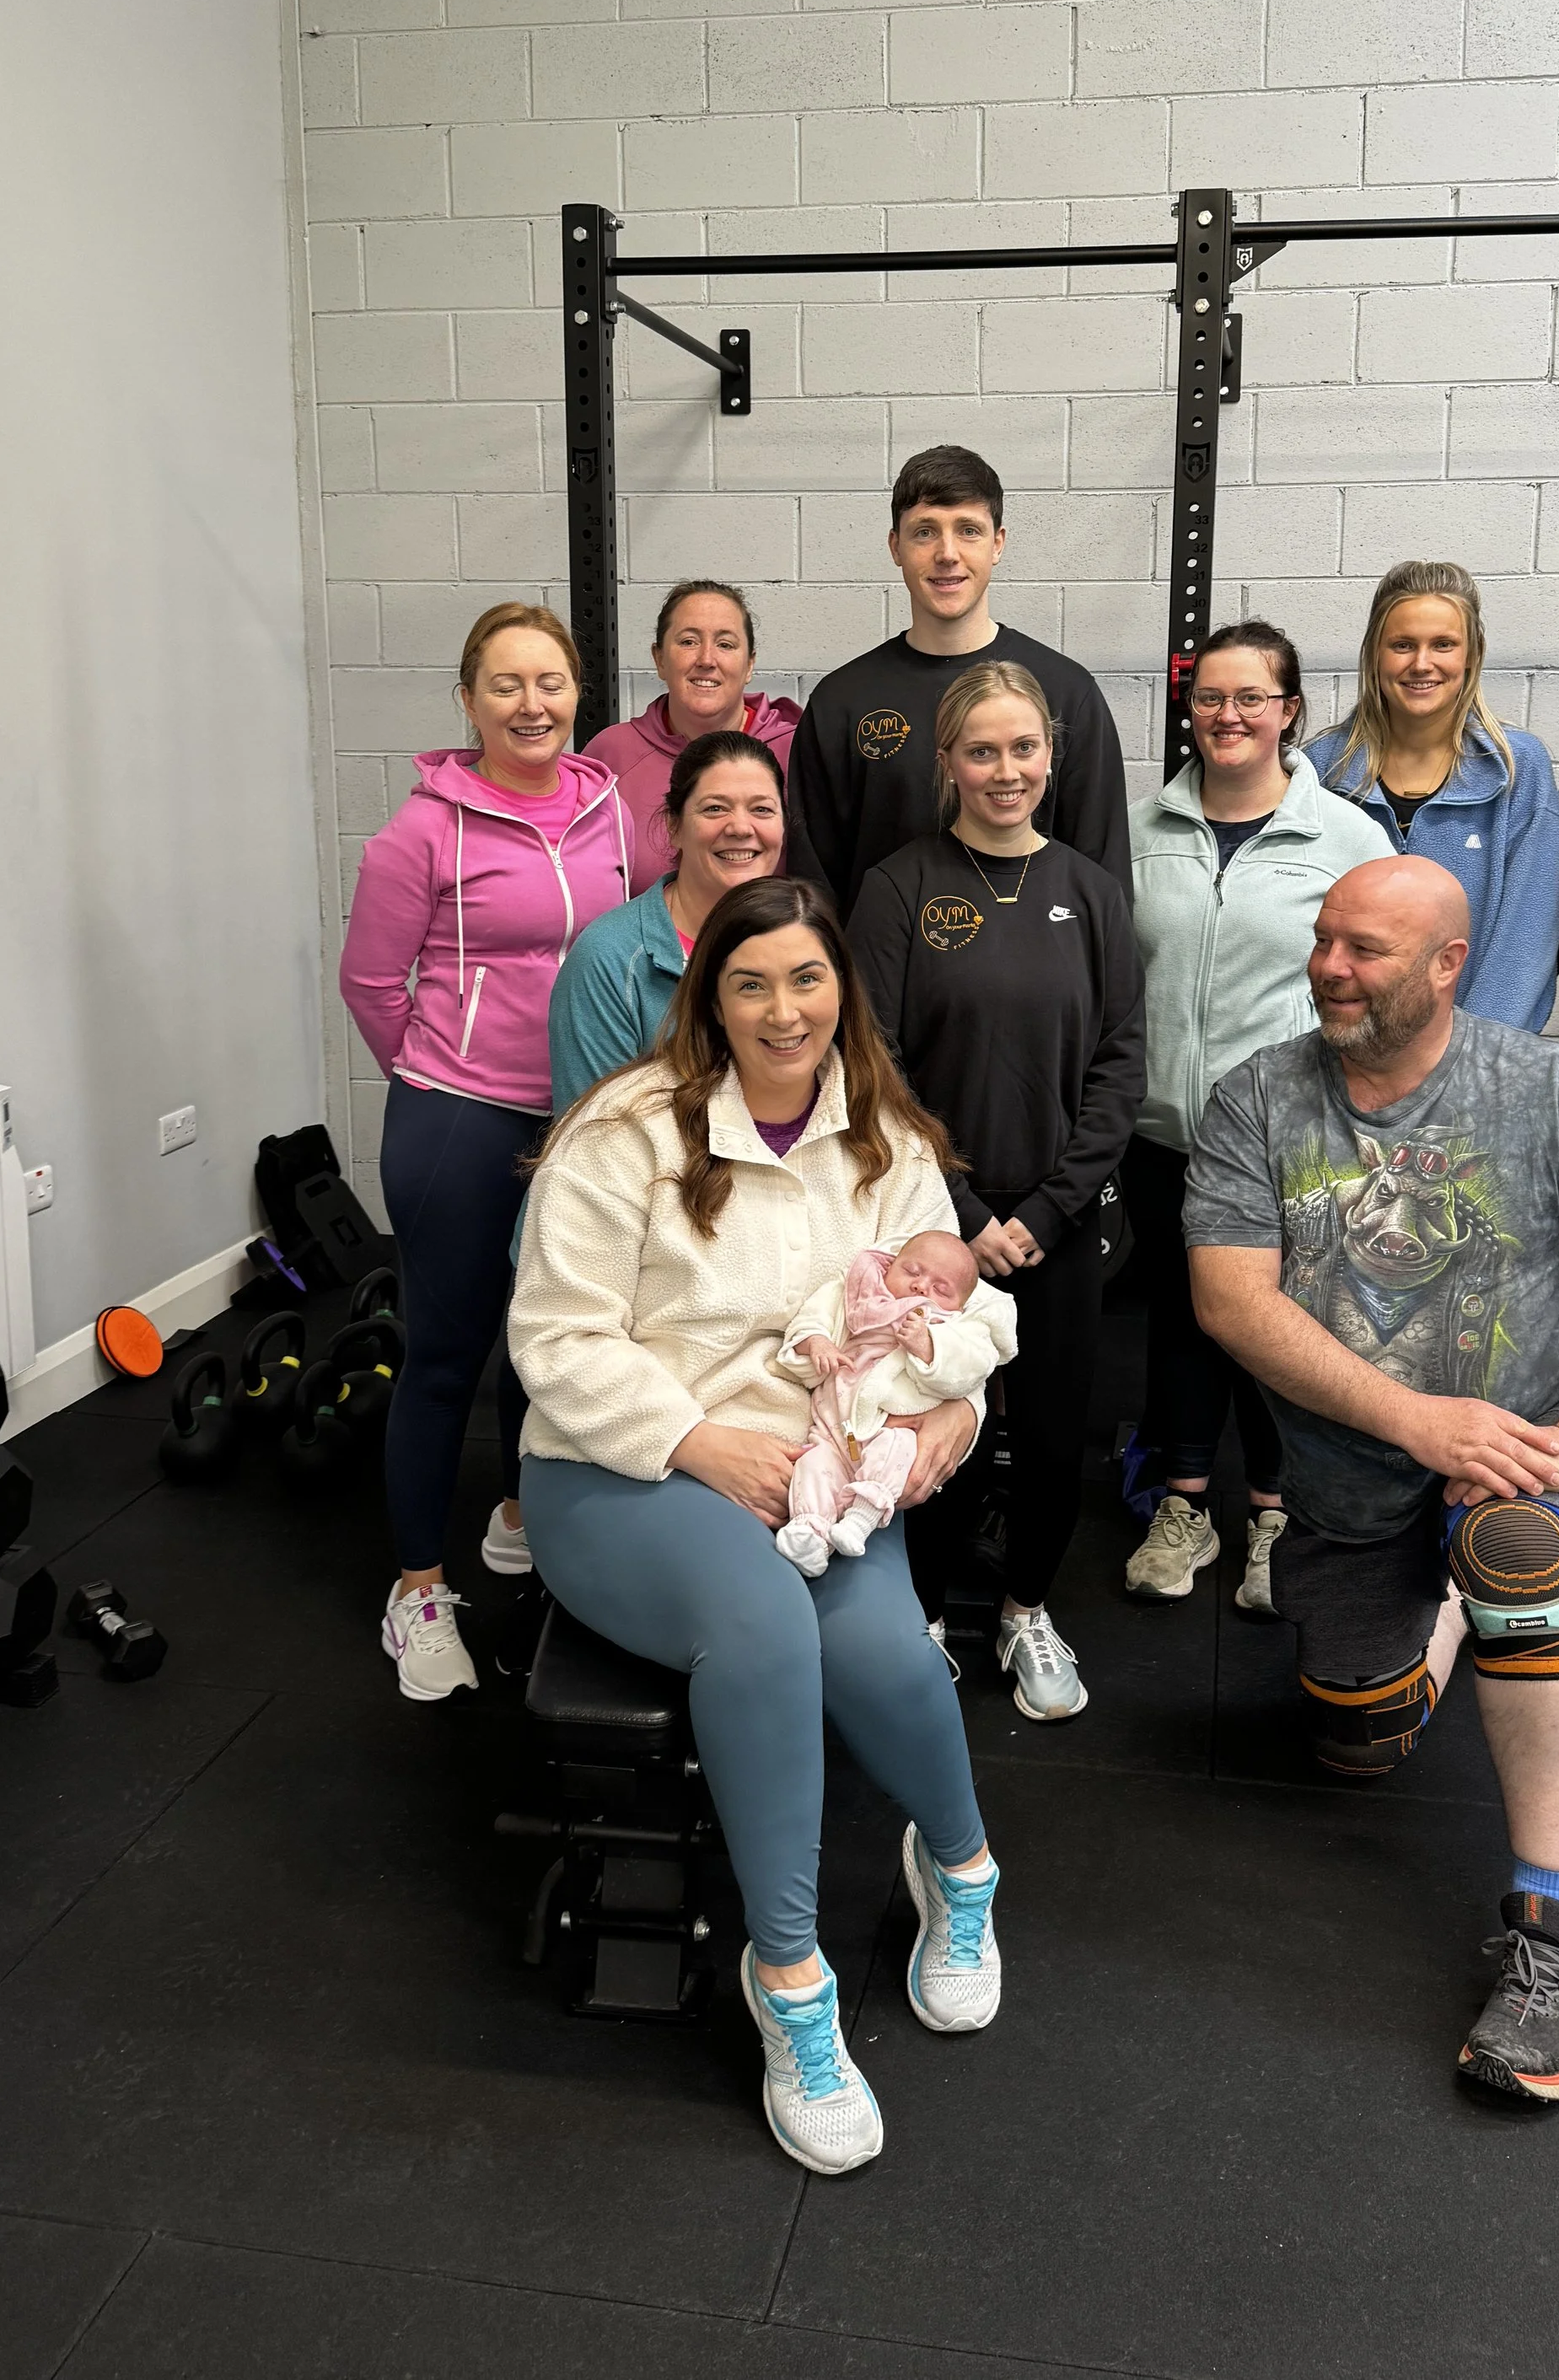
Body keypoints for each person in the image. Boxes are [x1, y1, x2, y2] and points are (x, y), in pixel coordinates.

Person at [1186, 855, 1559, 2103]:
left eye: (1364, 948)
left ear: (1445, 966)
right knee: (1354, 1743)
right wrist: (1414, 1423)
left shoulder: (1548, 1089)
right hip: (1356, 1480)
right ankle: (1432, 1618)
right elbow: (1228, 1297)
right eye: (1325, 939)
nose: (1329, 965)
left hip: (1520, 1464)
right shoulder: (1256, 1099)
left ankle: (1556, 1941)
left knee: (1516, 1554)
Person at [511, 879, 1001, 2177]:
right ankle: (791, 1983)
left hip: (815, 1470)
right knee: (766, 1632)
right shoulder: (624, 1134)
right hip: (623, 1464)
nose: (785, 1010)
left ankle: (961, 1872)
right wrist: (692, 1440)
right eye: (751, 983)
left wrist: (956, 1415)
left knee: (894, 1657)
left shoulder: (886, 1138)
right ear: (708, 999)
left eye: (807, 980)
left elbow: (940, 1317)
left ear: (843, 988)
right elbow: (553, 1342)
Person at [339, 602, 633, 1703]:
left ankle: (519, 1515)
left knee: (543, 1345)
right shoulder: (420, 832)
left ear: (576, 696)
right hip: (460, 1117)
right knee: (447, 1358)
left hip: (577, 1119)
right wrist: (437, 1075)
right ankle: (417, 1589)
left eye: (549, 682)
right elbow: (372, 984)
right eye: (505, 684)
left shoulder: (607, 809)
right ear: (468, 700)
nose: (531, 703)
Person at [850, 661, 1145, 1721]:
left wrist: (1042, 1215)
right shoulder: (899, 888)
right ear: (948, 763)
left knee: (1056, 1434)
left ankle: (1025, 1612)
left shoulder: (1091, 891)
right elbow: (873, 1065)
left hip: (1058, 1225)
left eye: (1024, 748)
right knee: (931, 1425)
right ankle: (923, 1617)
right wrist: (968, 1222)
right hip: (933, 1224)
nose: (1005, 769)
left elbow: (1120, 1070)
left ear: (1051, 756)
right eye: (983, 750)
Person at [1125, 619, 1390, 1612]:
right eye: (1208, 698)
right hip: (1162, 1134)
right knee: (1185, 1327)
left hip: (1289, 1138)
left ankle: (1275, 1514)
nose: (1226, 716)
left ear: (1288, 712)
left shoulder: (1347, 838)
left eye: (1251, 698)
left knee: (1281, 1333)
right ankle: (1186, 1506)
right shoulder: (1141, 830)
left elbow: (1379, 982)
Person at [788, 443, 1130, 919]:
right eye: (925, 532)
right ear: (895, 547)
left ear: (998, 543)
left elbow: (1102, 877)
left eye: (968, 531)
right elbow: (812, 889)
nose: (947, 554)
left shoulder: (1066, 693)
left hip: (1038, 981)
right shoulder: (841, 703)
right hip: (878, 982)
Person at [1306, 560, 1559, 1031]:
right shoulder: (1322, 768)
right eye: (1402, 645)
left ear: (1471, 654)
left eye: (1443, 644)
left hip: (1472, 1063)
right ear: (1374, 655)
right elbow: (1300, 928)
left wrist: (1475, 1064)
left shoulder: (1515, 770)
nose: (1421, 664)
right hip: (1341, 1053)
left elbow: (1525, 941)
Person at [546, 730, 785, 1115]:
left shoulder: (805, 944)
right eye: (714, 809)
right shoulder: (608, 959)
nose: (741, 827)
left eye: (762, 810)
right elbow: (592, 1142)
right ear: (674, 827)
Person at [775, 1233, 1018, 1576]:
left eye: (941, 1289)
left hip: (894, 1425)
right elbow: (812, 1318)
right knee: (814, 1464)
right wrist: (815, 1342)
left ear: (959, 1305)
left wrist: (931, 1347)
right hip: (835, 1430)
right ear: (889, 1266)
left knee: (897, 1449)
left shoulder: (956, 1326)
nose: (921, 1288)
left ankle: (862, 1517)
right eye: (913, 1271)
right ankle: (809, 1531)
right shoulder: (856, 1294)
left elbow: (973, 1366)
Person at [584, 578, 800, 884]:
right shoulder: (611, 756)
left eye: (725, 644)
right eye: (688, 642)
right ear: (659, 659)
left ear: (750, 665)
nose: (706, 660)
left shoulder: (797, 752)